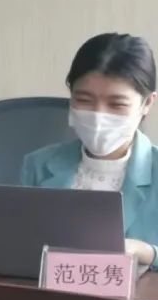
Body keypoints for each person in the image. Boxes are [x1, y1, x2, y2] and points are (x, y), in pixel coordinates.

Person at [21, 33, 158, 269]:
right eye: (84, 100)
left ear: (147, 103)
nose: (98, 115)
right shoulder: (38, 164)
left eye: (116, 104)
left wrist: (147, 252)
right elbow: (17, 243)